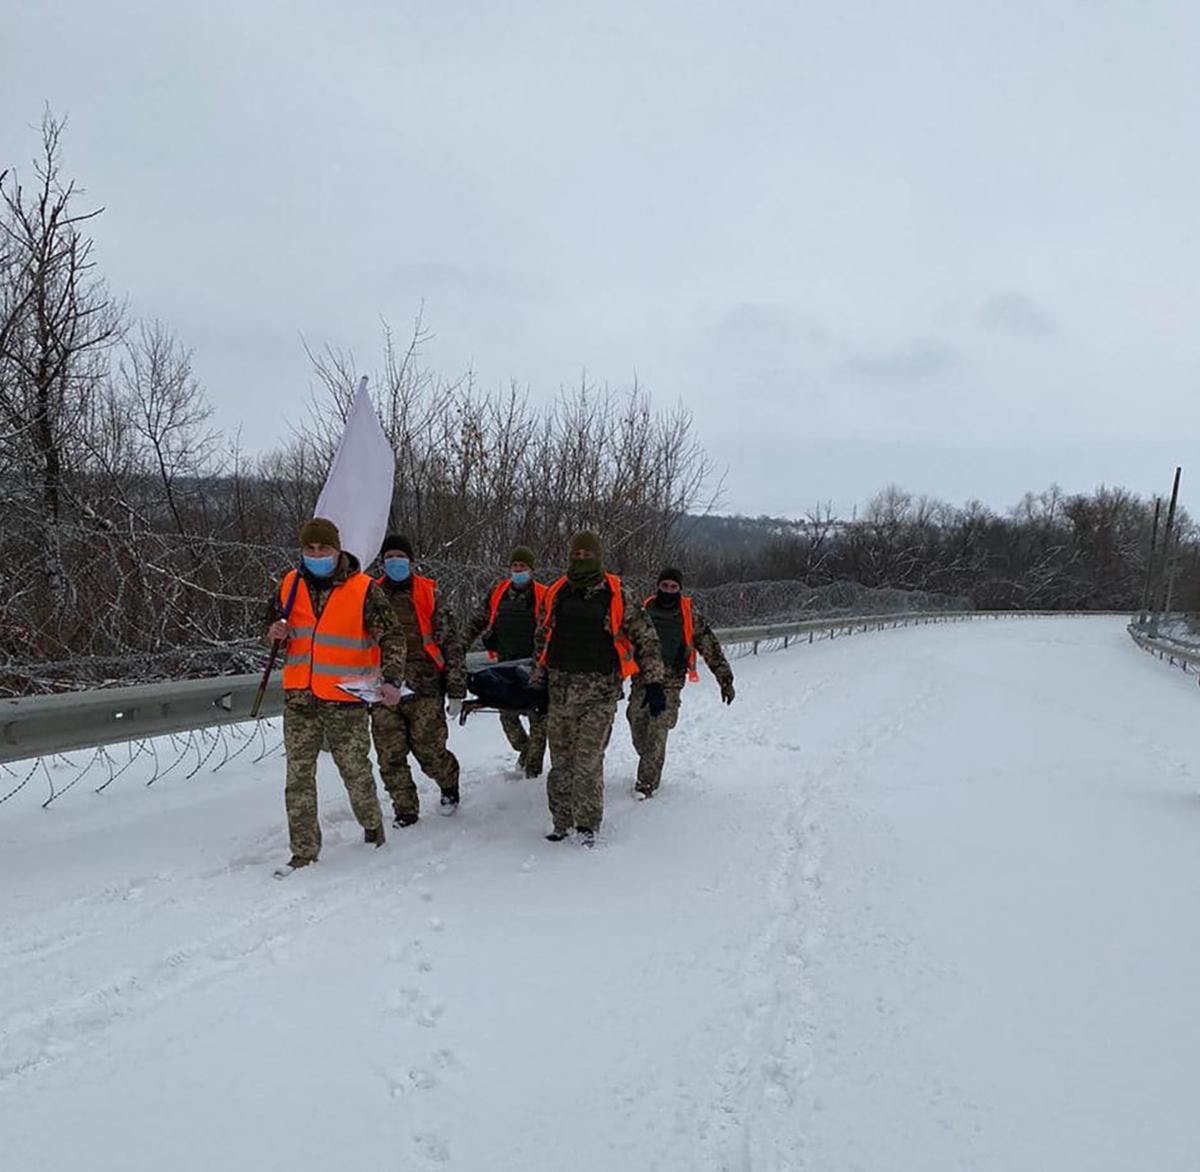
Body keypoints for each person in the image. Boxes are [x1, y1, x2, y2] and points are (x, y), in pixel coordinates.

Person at [265, 517, 406, 876]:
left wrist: (390, 680)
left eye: (323, 548)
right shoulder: (289, 585)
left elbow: (392, 636)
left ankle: (372, 826)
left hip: (344, 699)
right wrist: (273, 631)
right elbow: (266, 626)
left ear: (337, 549)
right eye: (309, 548)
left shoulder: (363, 589)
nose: (316, 554)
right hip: (300, 697)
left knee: (355, 772)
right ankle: (304, 851)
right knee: (297, 777)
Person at [530, 531, 665, 846]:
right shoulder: (556, 593)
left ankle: (587, 825)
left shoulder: (618, 594)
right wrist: (537, 685)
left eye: (587, 556)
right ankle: (561, 822)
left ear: (599, 557)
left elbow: (646, 639)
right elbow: (542, 643)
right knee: (561, 763)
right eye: (576, 555)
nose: (581, 560)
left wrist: (655, 682)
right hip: (560, 692)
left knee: (587, 760)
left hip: (599, 694)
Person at [370, 533, 467, 826]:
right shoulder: (369, 594)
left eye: (400, 557)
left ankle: (449, 784)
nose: (395, 562)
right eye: (389, 557)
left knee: (430, 751)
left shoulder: (428, 593)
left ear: (411, 561)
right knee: (390, 755)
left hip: (424, 686)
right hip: (384, 687)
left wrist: (456, 689)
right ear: (382, 562)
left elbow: (451, 644)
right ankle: (405, 809)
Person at [628, 567, 735, 799]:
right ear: (658, 586)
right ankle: (648, 758)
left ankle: (645, 785)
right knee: (637, 725)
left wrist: (725, 679)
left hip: (671, 681)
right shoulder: (643, 610)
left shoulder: (688, 614)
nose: (668, 590)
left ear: (680, 589)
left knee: (658, 728)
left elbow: (710, 646)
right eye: (664, 586)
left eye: (673, 587)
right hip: (642, 680)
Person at [460, 545, 549, 777]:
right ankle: (525, 748)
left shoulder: (544, 595)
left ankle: (532, 774)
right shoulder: (498, 592)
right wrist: (460, 646)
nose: (518, 570)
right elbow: (478, 620)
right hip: (503, 664)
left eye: (523, 566)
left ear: (532, 569)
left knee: (538, 719)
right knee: (507, 715)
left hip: (534, 667)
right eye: (515, 566)